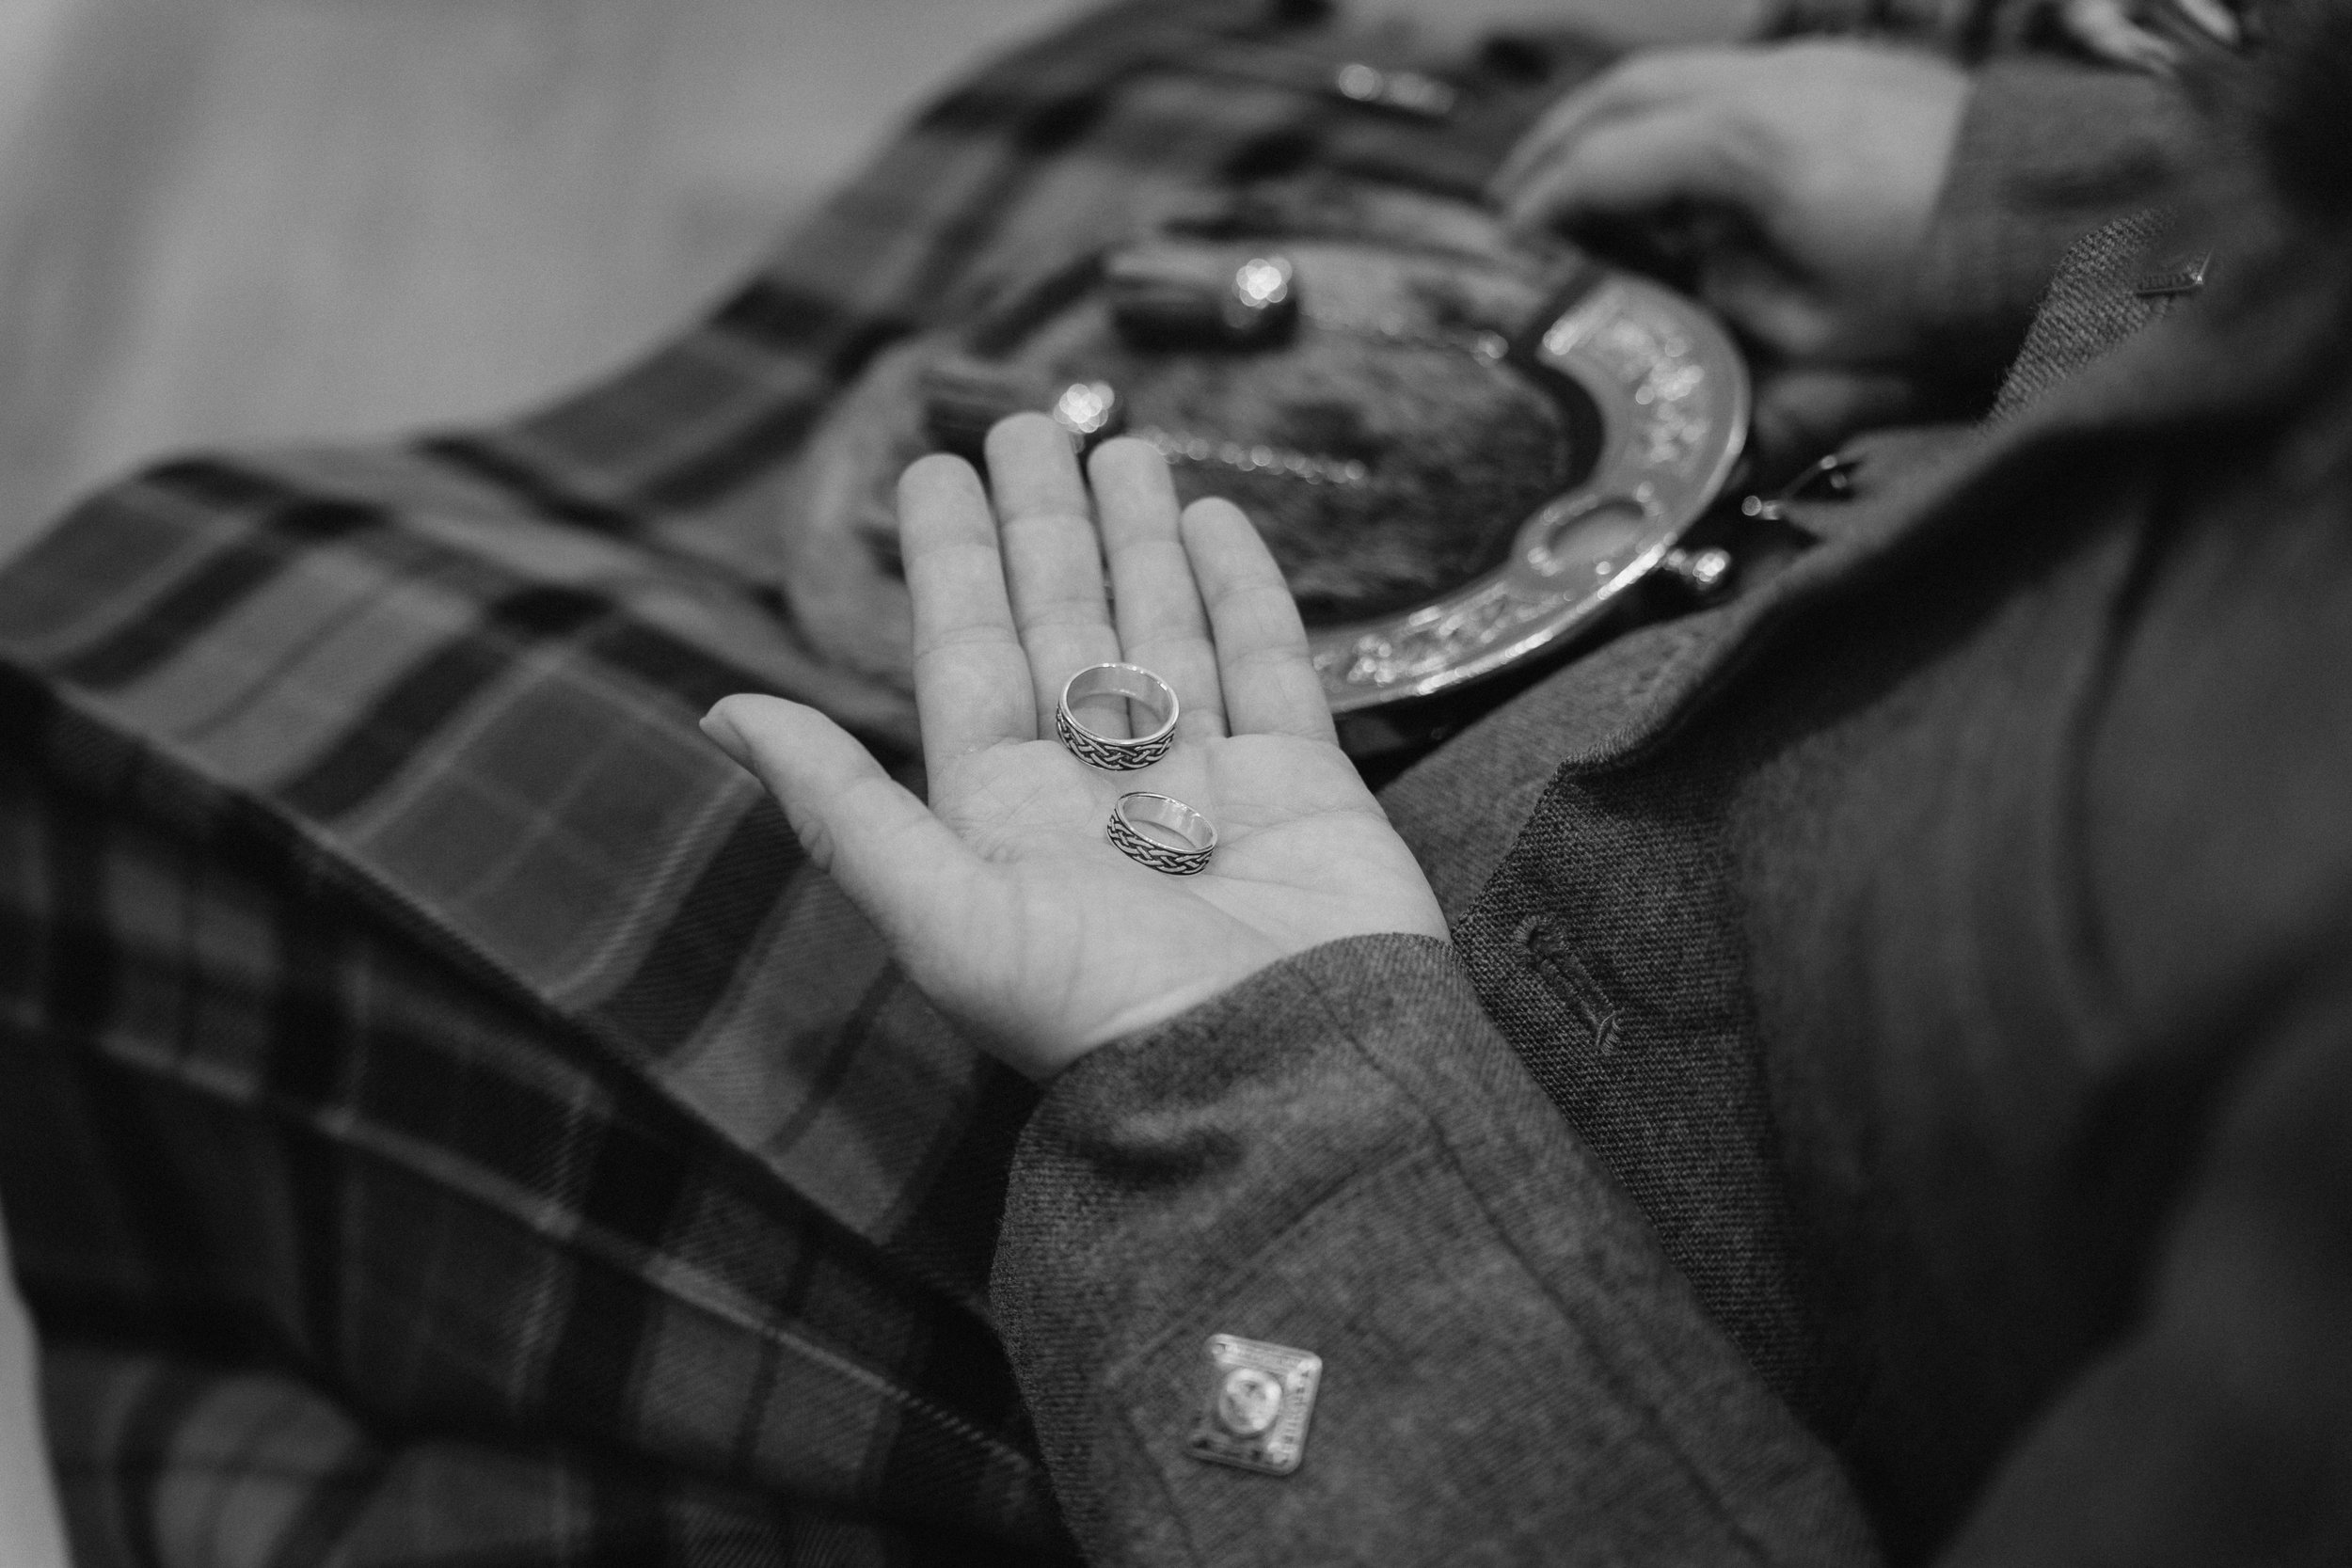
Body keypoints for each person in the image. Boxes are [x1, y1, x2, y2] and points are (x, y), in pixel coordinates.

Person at [3, 0, 2328, 1563]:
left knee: (163, 640)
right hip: (1892, 477)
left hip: (1396, 1262)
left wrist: (1248, 1098)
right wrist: (2068, 200)